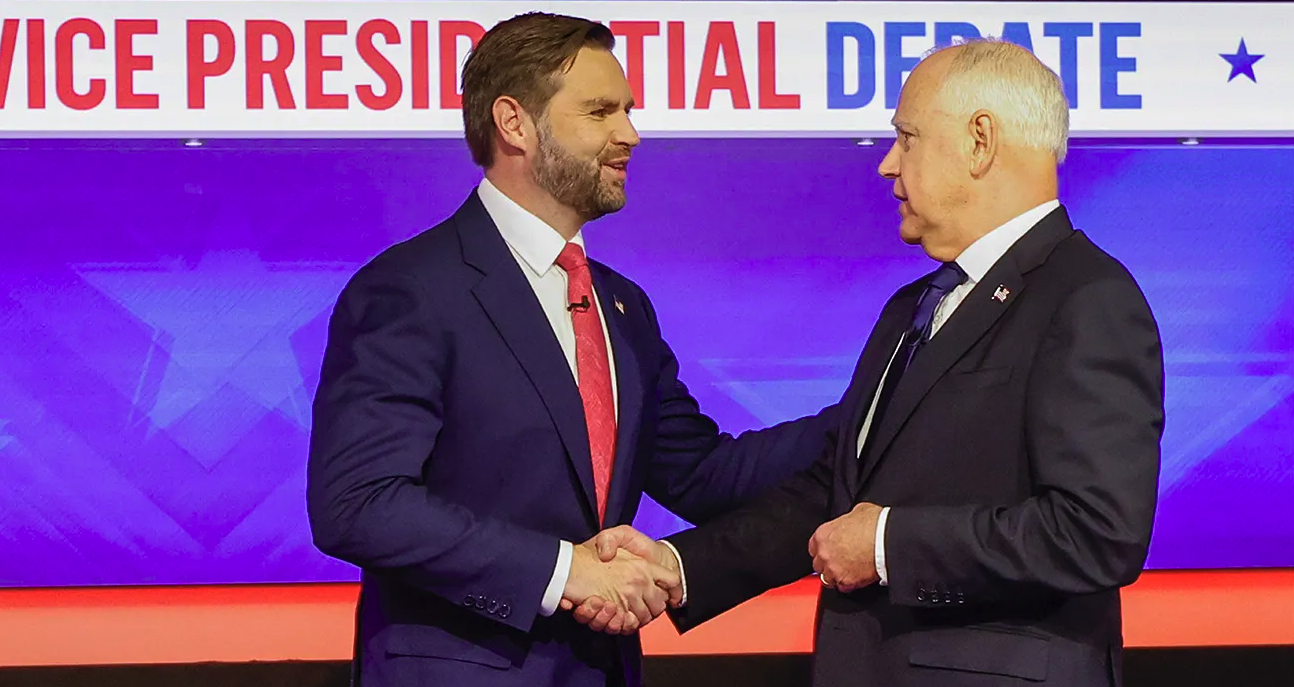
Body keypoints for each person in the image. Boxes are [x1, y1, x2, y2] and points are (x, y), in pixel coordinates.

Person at [584, 38, 1166, 686]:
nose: (889, 164)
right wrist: (678, 567)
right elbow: (838, 491)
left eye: (907, 137)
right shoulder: (912, 307)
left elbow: (1097, 532)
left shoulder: (1087, 299)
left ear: (980, 141)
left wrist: (890, 545)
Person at [305, 11, 836, 687]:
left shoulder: (623, 305)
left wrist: (877, 413)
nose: (630, 134)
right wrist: (564, 571)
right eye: (600, 112)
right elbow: (359, 503)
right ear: (514, 122)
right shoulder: (412, 289)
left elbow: (703, 473)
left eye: (629, 111)